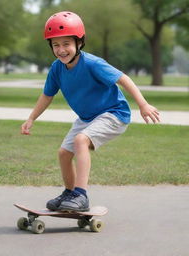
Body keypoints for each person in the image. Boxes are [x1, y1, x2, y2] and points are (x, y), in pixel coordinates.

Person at [21, 11, 160, 212]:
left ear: (79, 43)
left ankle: (81, 195)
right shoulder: (56, 68)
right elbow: (47, 95)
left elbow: (123, 79)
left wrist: (143, 104)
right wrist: (31, 118)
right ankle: (69, 193)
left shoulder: (93, 63)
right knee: (63, 153)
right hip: (87, 118)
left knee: (80, 141)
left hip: (114, 113)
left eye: (66, 44)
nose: (61, 50)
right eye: (56, 45)